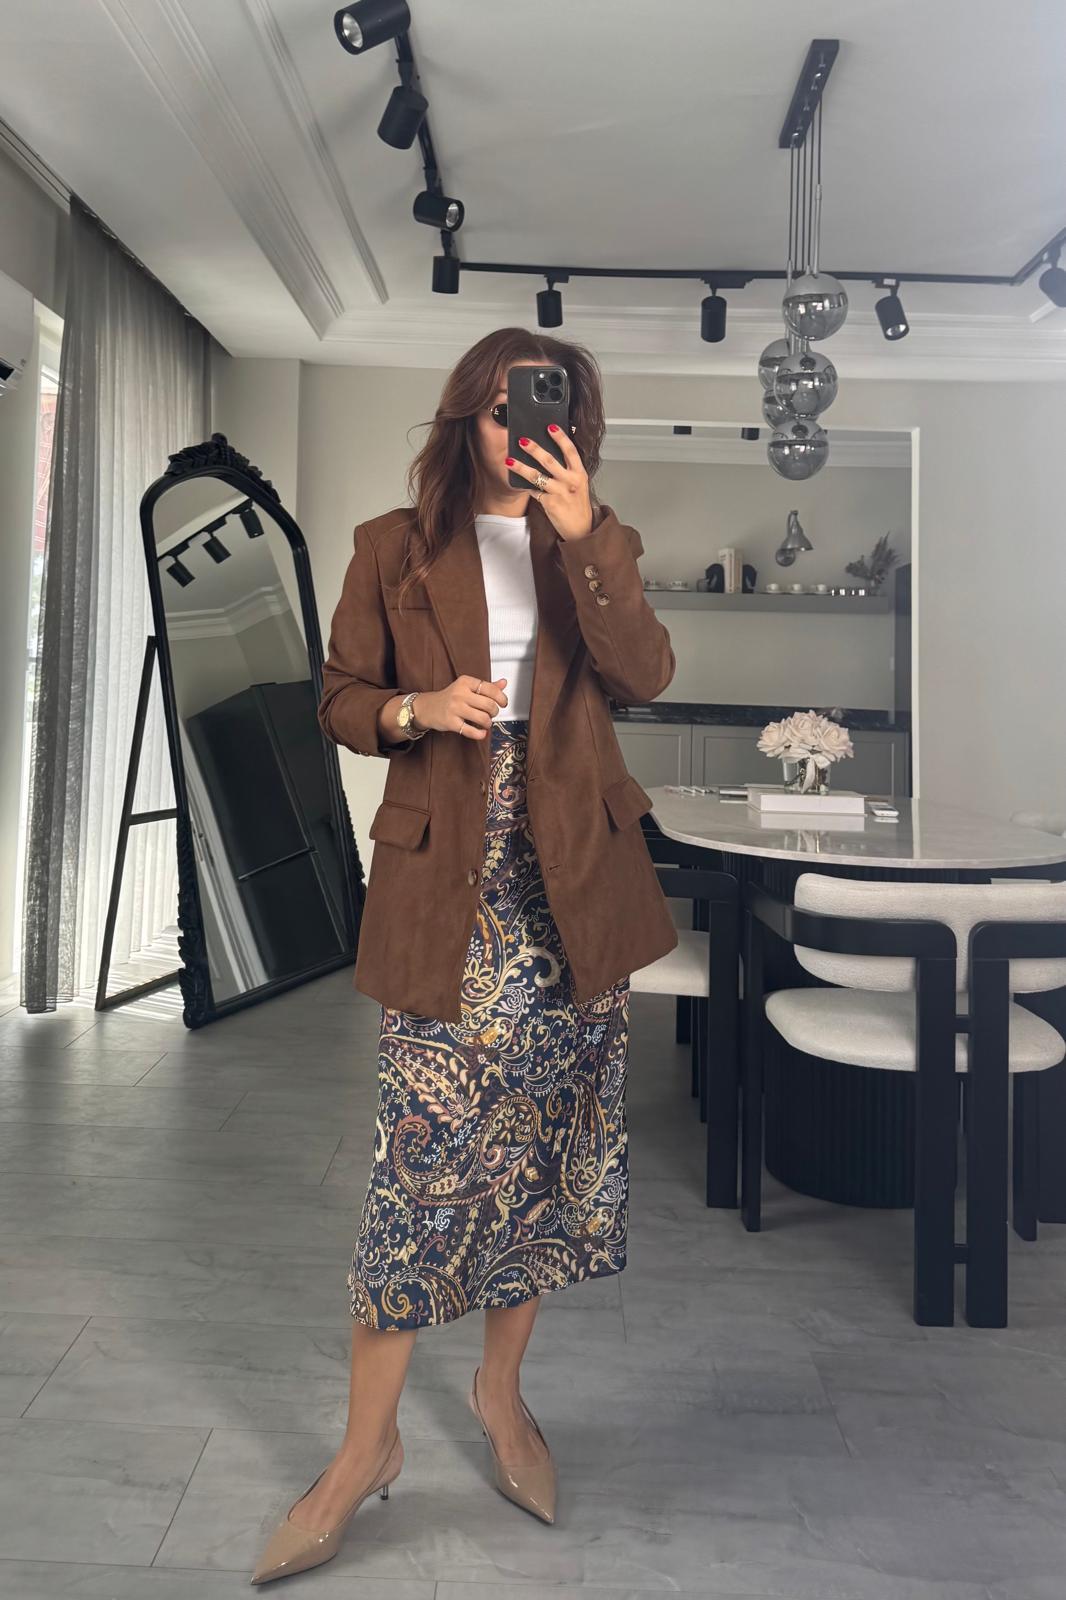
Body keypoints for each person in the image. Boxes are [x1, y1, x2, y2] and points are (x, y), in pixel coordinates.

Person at [251, 327, 679, 1584]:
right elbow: (337, 696)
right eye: (500, 409)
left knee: (539, 1163)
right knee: (417, 1181)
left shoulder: (595, 541)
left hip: (573, 893)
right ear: (464, 420)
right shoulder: (394, 544)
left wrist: (586, 535)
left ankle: (500, 1394)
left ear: (575, 427)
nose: (521, 430)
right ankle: (362, 1452)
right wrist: (416, 708)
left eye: (547, 410)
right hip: (450, 886)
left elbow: (646, 674)